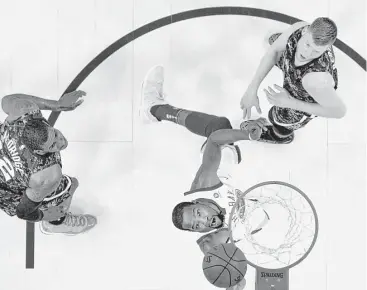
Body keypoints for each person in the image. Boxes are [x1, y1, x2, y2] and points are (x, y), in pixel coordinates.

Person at [141, 65, 269, 290]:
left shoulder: (206, 183)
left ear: (198, 202)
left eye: (197, 214)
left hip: (222, 158)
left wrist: (245, 135)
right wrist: (234, 283)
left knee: (219, 126)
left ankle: (154, 108)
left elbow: (216, 140)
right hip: (240, 186)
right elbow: (228, 271)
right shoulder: (222, 236)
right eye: (196, 226)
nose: (201, 223)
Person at [0, 91, 97, 235]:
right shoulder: (47, 174)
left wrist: (57, 105)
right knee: (70, 185)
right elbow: (23, 211)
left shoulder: (25, 111)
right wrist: (46, 216)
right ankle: (56, 224)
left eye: (55, 134)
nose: (61, 142)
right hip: (7, 192)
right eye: (52, 146)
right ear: (39, 152)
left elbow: (6, 101)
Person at [240, 17, 346, 144]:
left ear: (327, 48)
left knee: (277, 117)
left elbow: (339, 111)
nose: (307, 53)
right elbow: (273, 51)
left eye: (316, 51)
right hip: (294, 72)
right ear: (306, 30)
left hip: (302, 97)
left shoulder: (316, 80)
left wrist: (291, 103)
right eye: (307, 44)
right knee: (273, 43)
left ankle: (279, 136)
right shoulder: (298, 28)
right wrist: (252, 89)